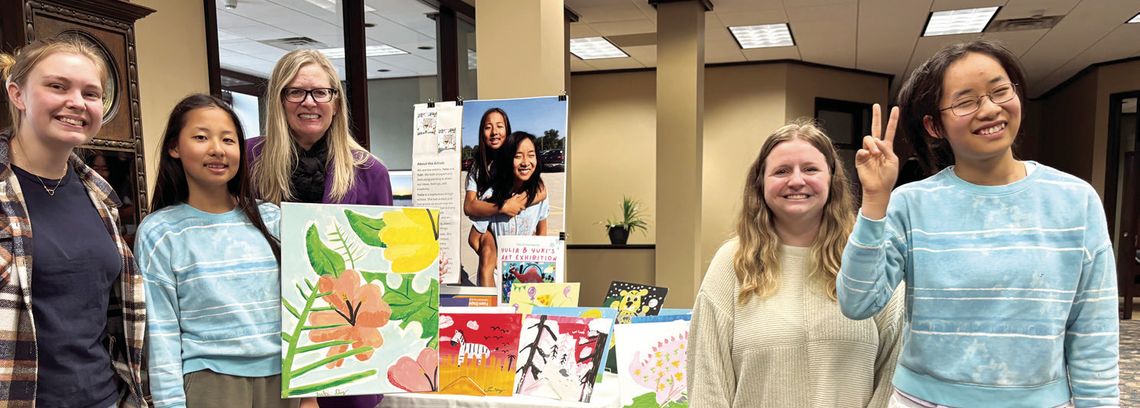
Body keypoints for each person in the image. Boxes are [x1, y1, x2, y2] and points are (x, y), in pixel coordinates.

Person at [838, 39, 1118, 408]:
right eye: (966, 101)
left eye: (1000, 91)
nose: (990, 109)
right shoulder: (911, 204)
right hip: (925, 401)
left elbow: (1093, 331)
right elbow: (857, 302)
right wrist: (875, 201)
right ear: (934, 125)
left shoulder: (1075, 200)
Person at [688, 120, 904, 407]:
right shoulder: (732, 263)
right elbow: (707, 381)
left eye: (811, 169)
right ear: (760, 183)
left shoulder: (869, 258)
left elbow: (895, 372)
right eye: (781, 171)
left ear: (832, 179)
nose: (797, 181)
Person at [0, 38, 148, 406]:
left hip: (103, 397)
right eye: (57, 86)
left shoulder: (101, 197)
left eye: (91, 93)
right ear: (17, 94)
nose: (77, 103)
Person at [135, 94, 305, 408]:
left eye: (228, 139)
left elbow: (304, 309)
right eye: (201, 137)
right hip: (209, 383)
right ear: (175, 147)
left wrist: (308, 392)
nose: (217, 149)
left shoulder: (274, 220)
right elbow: (162, 331)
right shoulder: (160, 231)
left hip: (283, 380)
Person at [247, 49, 390, 408]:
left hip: (342, 339)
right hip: (263, 337)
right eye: (296, 91)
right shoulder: (247, 162)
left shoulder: (370, 172)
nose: (309, 102)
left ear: (336, 102)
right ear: (279, 99)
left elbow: (382, 257)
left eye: (320, 92)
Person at [463, 107, 545, 286]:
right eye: (488, 127)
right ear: (481, 133)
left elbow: (541, 190)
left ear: (507, 130)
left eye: (500, 126)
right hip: (488, 226)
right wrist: (502, 206)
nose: (494, 132)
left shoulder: (516, 158)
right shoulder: (478, 167)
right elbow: (469, 207)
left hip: (512, 237)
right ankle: (489, 307)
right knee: (487, 257)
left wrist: (518, 203)